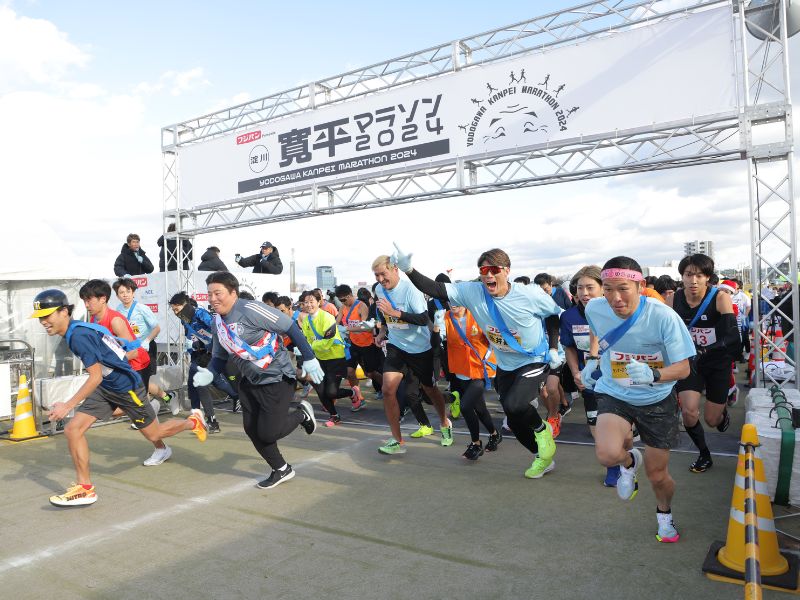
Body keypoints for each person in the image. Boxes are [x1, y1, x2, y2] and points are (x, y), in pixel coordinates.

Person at [395, 244, 562, 478]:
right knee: (513, 420)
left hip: (533, 359)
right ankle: (542, 457)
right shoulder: (472, 292)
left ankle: (542, 429)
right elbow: (435, 289)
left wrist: (553, 347)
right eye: (484, 271)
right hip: (505, 364)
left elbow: (553, 315)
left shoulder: (529, 294)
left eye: (494, 269)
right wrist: (409, 270)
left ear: (507, 271)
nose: (488, 275)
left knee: (514, 405)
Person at [32, 289, 207, 506]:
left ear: (64, 312)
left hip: (126, 388)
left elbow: (95, 376)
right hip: (107, 386)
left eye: (47, 315)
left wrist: (68, 405)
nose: (43, 321)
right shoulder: (78, 330)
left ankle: (193, 422)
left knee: (155, 434)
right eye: (40, 317)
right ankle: (85, 489)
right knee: (72, 429)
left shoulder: (78, 335)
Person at [581, 256, 694, 543]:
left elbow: (684, 368)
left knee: (657, 475)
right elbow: (597, 329)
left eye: (623, 289)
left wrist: (653, 374)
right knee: (607, 454)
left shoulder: (663, 317)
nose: (615, 298)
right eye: (608, 289)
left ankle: (664, 515)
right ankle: (629, 461)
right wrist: (593, 358)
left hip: (657, 398)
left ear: (640, 286)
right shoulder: (595, 307)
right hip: (614, 392)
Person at [199, 271, 323, 489]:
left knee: (268, 432)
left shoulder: (250, 309)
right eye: (209, 294)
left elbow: (289, 326)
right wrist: (210, 373)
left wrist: (309, 357)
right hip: (249, 380)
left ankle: (301, 414)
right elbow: (219, 356)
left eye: (218, 293)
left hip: (276, 377)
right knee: (251, 429)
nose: (212, 299)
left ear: (233, 293)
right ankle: (281, 469)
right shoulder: (217, 322)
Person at [371, 254, 454, 455]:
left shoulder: (411, 289)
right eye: (376, 276)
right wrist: (382, 332)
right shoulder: (380, 290)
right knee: (388, 390)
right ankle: (397, 440)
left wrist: (396, 313)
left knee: (430, 390)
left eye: (383, 274)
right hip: (396, 346)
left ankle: (444, 422)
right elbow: (384, 314)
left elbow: (423, 318)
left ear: (395, 269)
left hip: (420, 349)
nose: (380, 279)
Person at [672, 254, 739, 473]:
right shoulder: (673, 300)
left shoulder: (720, 297)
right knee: (689, 412)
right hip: (690, 363)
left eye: (699, 275)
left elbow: (732, 337)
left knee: (712, 420)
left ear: (708, 277)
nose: (693, 280)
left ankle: (722, 411)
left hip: (717, 362)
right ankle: (704, 454)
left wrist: (705, 349)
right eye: (688, 274)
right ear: (682, 276)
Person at [560, 265, 620, 486]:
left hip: (620, 379)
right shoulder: (569, 317)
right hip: (591, 380)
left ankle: (623, 459)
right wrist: (576, 372)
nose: (584, 293)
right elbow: (569, 347)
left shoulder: (618, 310)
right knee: (596, 427)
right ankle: (613, 467)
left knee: (620, 430)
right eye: (580, 288)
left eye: (590, 287)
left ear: (603, 288)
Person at [168, 292, 239, 433]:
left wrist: (210, 350)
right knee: (194, 383)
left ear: (185, 305)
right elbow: (194, 336)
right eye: (173, 310)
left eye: (177, 309)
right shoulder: (184, 320)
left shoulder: (200, 314)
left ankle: (215, 417)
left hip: (219, 352)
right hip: (202, 353)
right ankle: (200, 416)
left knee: (209, 381)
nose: (175, 313)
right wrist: (195, 346)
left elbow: (219, 331)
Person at [444, 304, 501, 460]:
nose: (453, 304)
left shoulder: (478, 314)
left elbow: (496, 339)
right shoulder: (446, 317)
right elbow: (437, 344)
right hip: (462, 370)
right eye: (450, 300)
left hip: (481, 370)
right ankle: (495, 434)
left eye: (456, 300)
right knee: (479, 408)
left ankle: (476, 444)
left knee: (465, 406)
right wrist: (436, 328)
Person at [112, 278, 175, 414]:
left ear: (133, 292)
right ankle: (167, 397)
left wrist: (146, 341)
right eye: (121, 292)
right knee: (137, 381)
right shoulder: (118, 310)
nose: (125, 295)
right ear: (117, 295)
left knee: (142, 382)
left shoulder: (142, 308)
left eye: (128, 291)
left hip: (146, 348)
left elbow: (156, 328)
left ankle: (144, 416)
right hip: (131, 350)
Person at [298, 290, 354, 427]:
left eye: (311, 301)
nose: (308, 305)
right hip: (319, 360)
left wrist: (310, 346)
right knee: (320, 390)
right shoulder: (306, 321)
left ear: (319, 302)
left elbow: (327, 342)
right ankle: (334, 416)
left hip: (336, 359)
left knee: (331, 392)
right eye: (306, 302)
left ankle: (352, 392)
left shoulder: (327, 318)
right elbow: (306, 340)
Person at [335, 284, 380, 411]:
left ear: (350, 295)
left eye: (344, 299)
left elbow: (366, 327)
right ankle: (359, 399)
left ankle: (390, 389)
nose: (343, 302)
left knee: (370, 373)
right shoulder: (343, 307)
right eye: (340, 300)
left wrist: (347, 328)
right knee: (349, 372)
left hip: (367, 344)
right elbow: (336, 323)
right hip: (353, 344)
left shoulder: (361, 306)